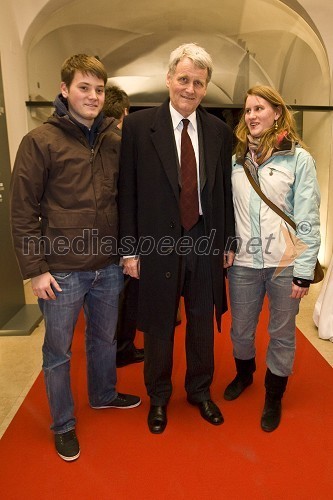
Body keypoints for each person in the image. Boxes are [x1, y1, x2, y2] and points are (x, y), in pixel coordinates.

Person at [10, 54, 141, 462]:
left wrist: (126, 250)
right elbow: (22, 210)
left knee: (103, 340)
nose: (93, 96)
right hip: (61, 271)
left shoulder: (114, 141)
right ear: (65, 90)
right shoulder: (39, 141)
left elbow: (126, 200)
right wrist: (35, 270)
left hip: (107, 267)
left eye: (99, 89)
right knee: (58, 352)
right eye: (84, 88)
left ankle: (102, 394)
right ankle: (63, 424)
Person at [118, 43, 235, 434]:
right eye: (183, 79)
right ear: (168, 79)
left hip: (204, 240)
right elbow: (128, 192)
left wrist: (227, 242)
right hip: (156, 245)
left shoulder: (218, 131)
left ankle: (200, 392)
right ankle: (158, 397)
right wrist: (129, 248)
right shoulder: (138, 127)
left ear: (206, 88)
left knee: (202, 319)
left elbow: (223, 193)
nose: (190, 88)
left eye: (198, 82)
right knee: (158, 324)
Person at [224, 85, 321, 432]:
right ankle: (244, 374)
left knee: (281, 333)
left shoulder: (299, 159)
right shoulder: (235, 159)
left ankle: (273, 394)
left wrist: (303, 272)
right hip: (244, 264)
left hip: (285, 264)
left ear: (277, 113)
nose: (251, 116)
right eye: (247, 110)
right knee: (241, 330)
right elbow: (226, 211)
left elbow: (308, 217)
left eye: (259, 108)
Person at [103, 85, 144, 367]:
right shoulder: (122, 143)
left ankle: (111, 346)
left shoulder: (95, 141)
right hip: (126, 233)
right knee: (125, 296)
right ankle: (122, 348)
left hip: (101, 233)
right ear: (125, 112)